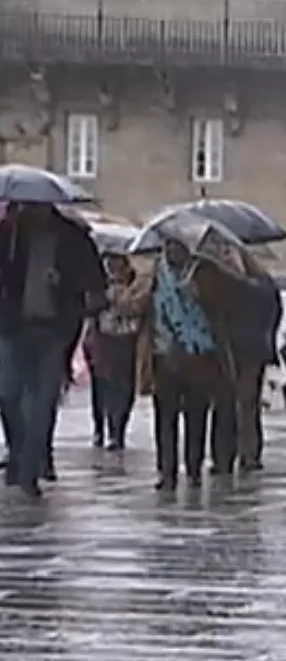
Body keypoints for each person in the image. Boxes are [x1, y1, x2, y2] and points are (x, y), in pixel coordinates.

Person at [0, 202, 105, 498]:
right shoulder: (10, 234)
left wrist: (66, 282)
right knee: (8, 393)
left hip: (54, 330)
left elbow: (96, 284)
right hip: (12, 325)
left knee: (42, 401)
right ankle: (20, 453)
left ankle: (30, 469)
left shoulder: (72, 237)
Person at [133, 235, 234, 491]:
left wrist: (201, 296)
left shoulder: (205, 272)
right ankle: (166, 471)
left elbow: (223, 308)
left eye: (177, 246)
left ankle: (193, 467)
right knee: (164, 417)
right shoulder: (156, 273)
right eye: (167, 245)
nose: (171, 251)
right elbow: (138, 306)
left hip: (199, 354)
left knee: (196, 414)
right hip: (163, 353)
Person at [210, 259, 280, 475]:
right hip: (250, 349)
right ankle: (246, 453)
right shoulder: (264, 283)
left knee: (236, 403)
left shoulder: (233, 283)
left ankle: (235, 455)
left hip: (238, 349)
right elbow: (274, 314)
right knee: (245, 404)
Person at [83, 253, 142, 452]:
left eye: (117, 263)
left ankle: (118, 430)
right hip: (102, 340)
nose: (113, 267)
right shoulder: (97, 281)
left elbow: (141, 306)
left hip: (129, 340)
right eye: (109, 263)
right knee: (102, 386)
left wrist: (124, 300)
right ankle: (101, 427)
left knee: (125, 387)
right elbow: (88, 307)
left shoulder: (138, 283)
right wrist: (104, 299)